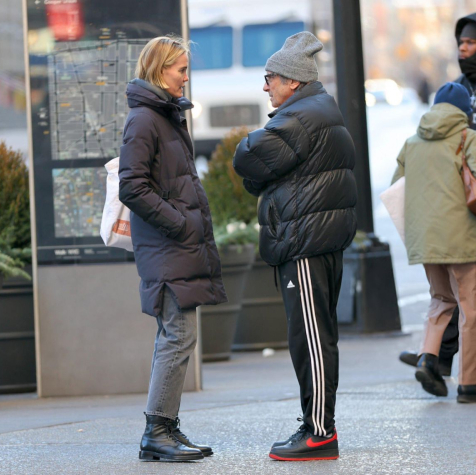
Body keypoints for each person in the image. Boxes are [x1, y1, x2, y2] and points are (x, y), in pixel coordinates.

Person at [233, 32, 357, 461]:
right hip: (314, 238)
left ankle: (320, 432)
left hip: (305, 242)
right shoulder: (316, 111)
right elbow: (263, 172)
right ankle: (316, 424)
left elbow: (246, 157)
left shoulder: (300, 118)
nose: (265, 86)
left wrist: (251, 155)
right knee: (314, 336)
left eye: (270, 77)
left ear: (293, 80)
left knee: (311, 339)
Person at [118, 36, 228, 462]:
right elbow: (133, 185)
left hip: (174, 246)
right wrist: (179, 224)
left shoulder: (164, 115)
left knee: (177, 336)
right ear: (159, 69)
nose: (186, 77)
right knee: (178, 336)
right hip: (168, 246)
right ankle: (157, 431)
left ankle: (165, 427)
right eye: (180, 69)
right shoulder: (146, 119)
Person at [398, 12, 476, 375]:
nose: (464, 49)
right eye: (461, 43)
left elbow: (400, 182)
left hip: (429, 229)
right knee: (465, 301)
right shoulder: (461, 96)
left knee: (444, 297)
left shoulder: (416, 137)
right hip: (462, 217)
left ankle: (433, 358)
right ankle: (458, 374)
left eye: (470, 43)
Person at [391, 82, 476, 403]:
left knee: (441, 300)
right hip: (462, 237)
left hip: (425, 238)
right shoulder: (469, 138)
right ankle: (469, 384)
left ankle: (428, 358)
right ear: (464, 111)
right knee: (470, 308)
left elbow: (395, 188)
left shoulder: (412, 143)